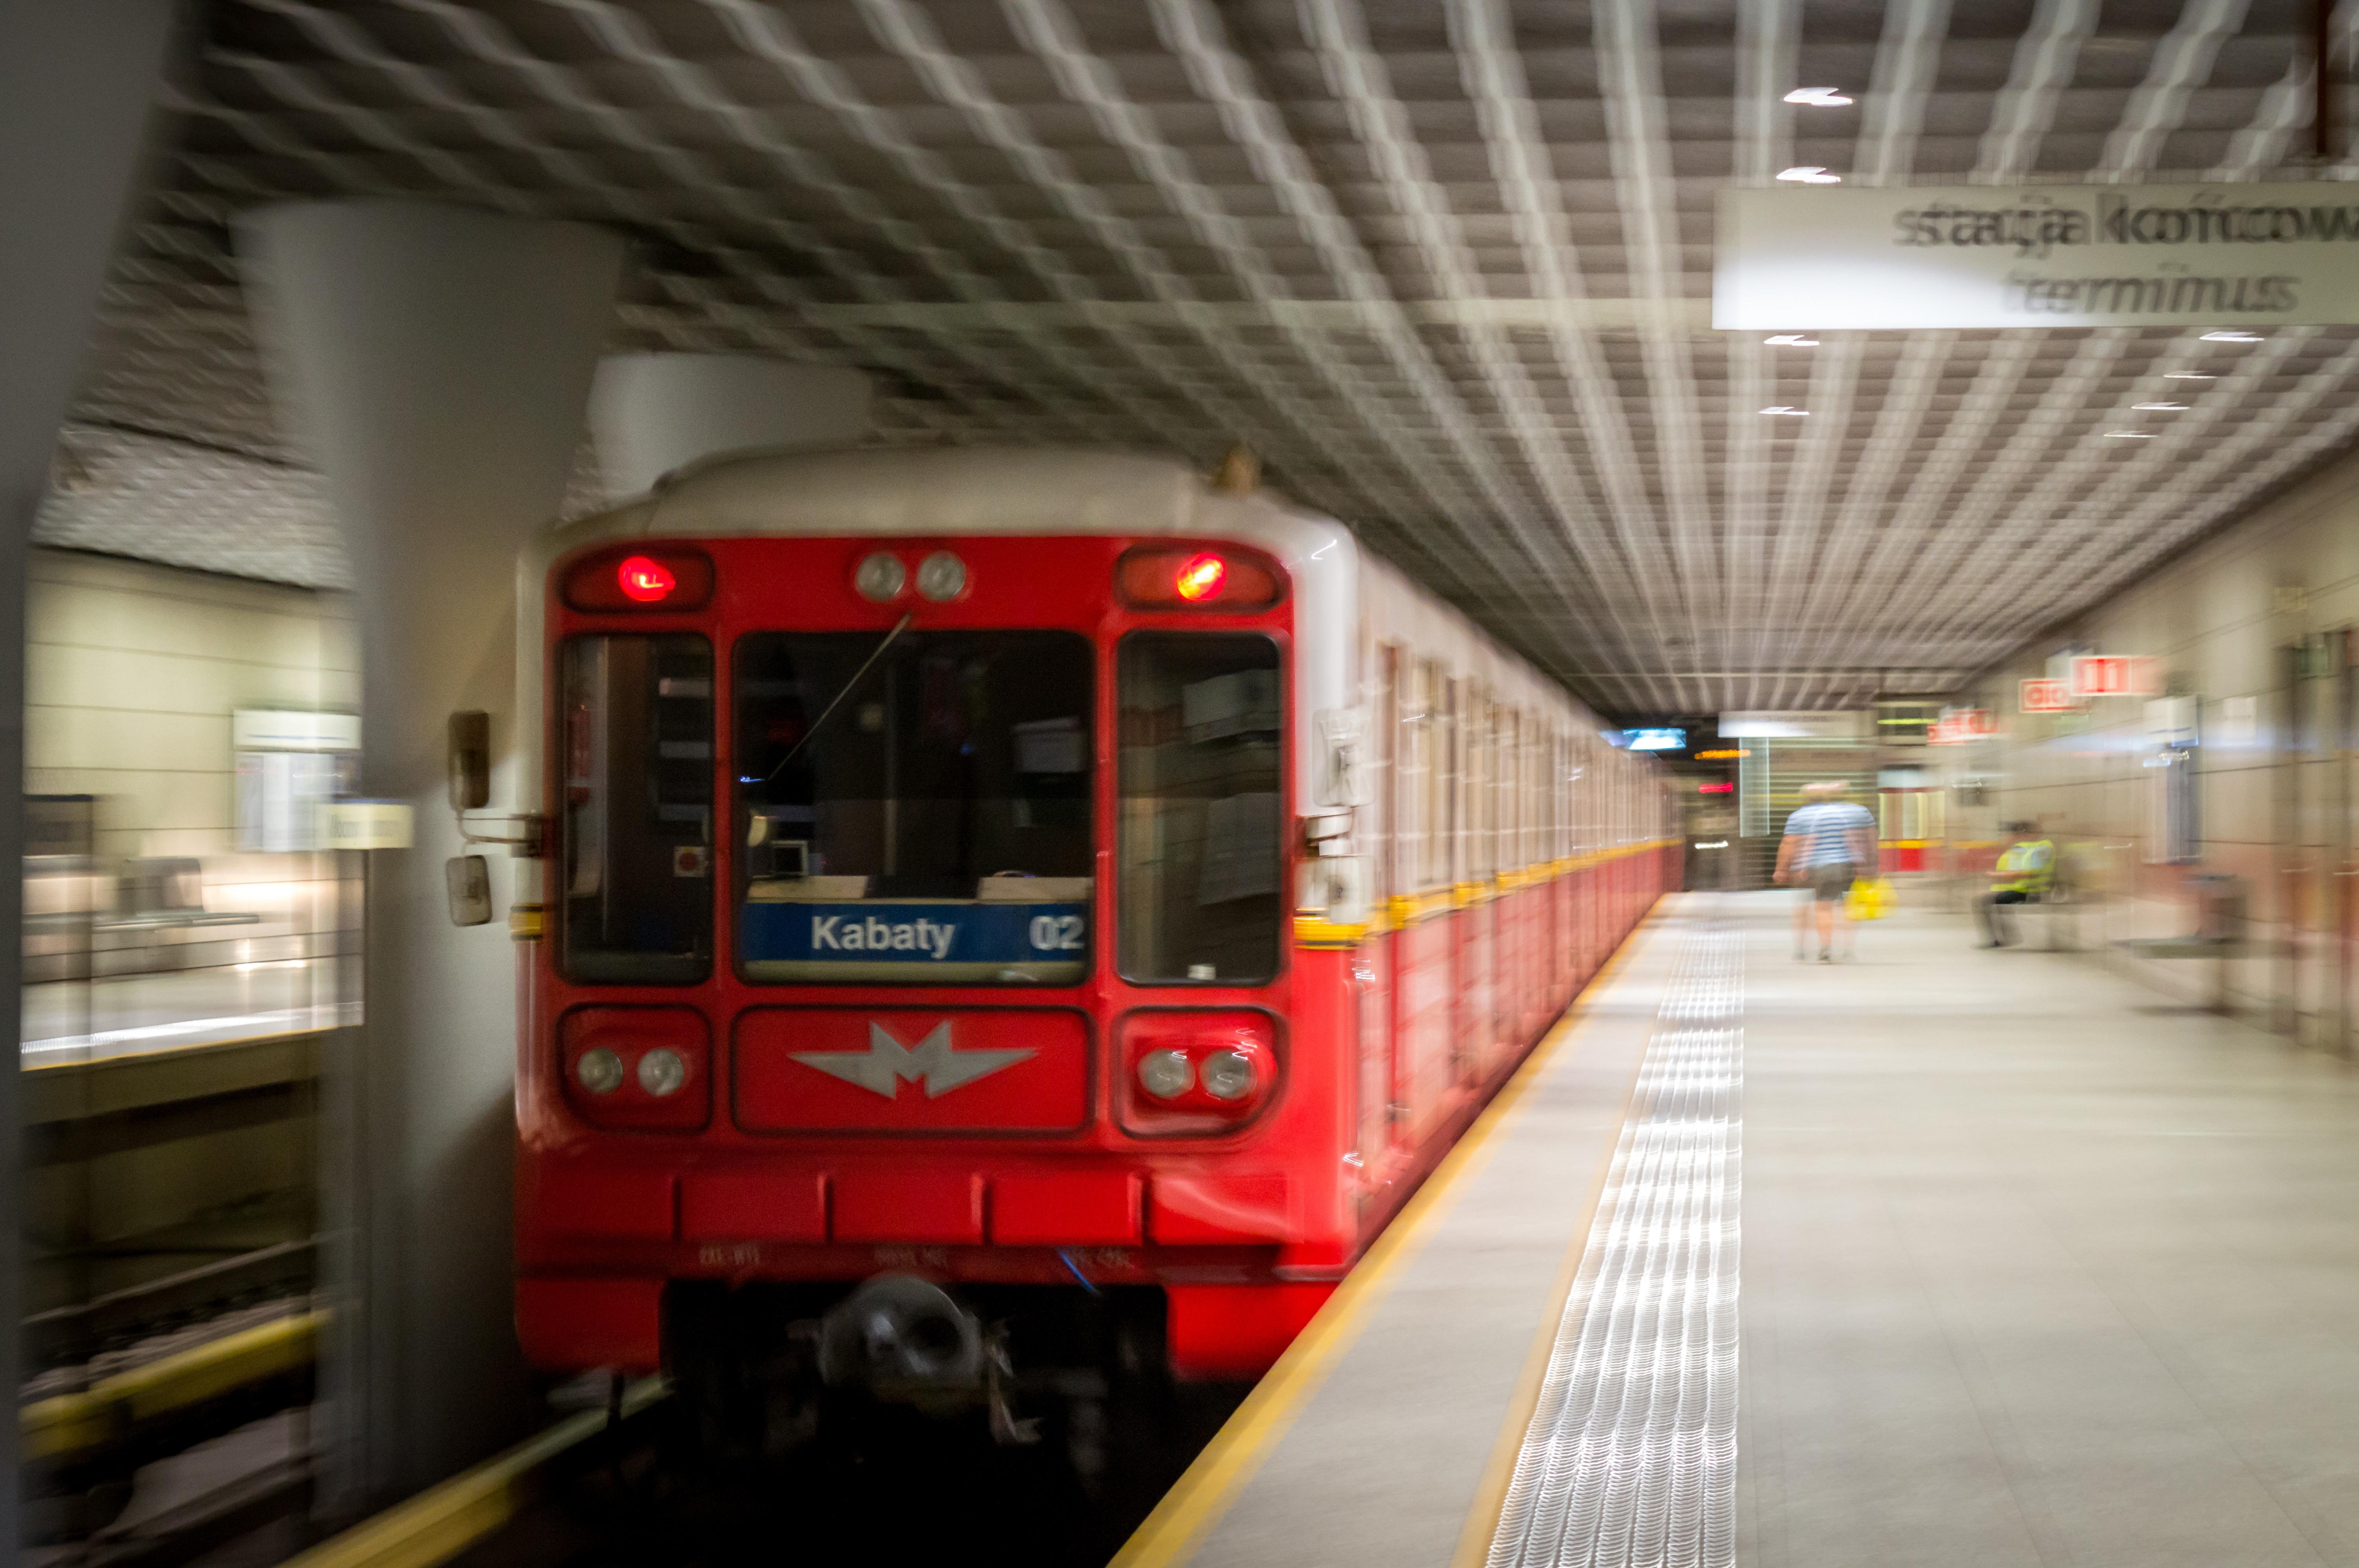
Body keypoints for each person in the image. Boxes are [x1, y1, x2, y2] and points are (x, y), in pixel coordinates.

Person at [1775, 781, 1877, 962]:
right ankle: (1847, 948)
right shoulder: (1858, 813)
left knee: (1816, 908)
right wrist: (1866, 864)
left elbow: (1792, 843)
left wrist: (1785, 868)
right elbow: (1866, 839)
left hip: (1813, 868)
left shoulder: (1801, 816)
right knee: (1846, 907)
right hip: (1847, 865)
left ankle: (1810, 947)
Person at [1977, 821, 2055, 948]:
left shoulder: (2042, 848)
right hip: (2024, 889)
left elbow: (2029, 874)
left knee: (1987, 901)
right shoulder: (2031, 847)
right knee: (1994, 900)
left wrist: (1995, 876)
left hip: (2034, 891)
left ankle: (2004, 937)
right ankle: (2007, 936)